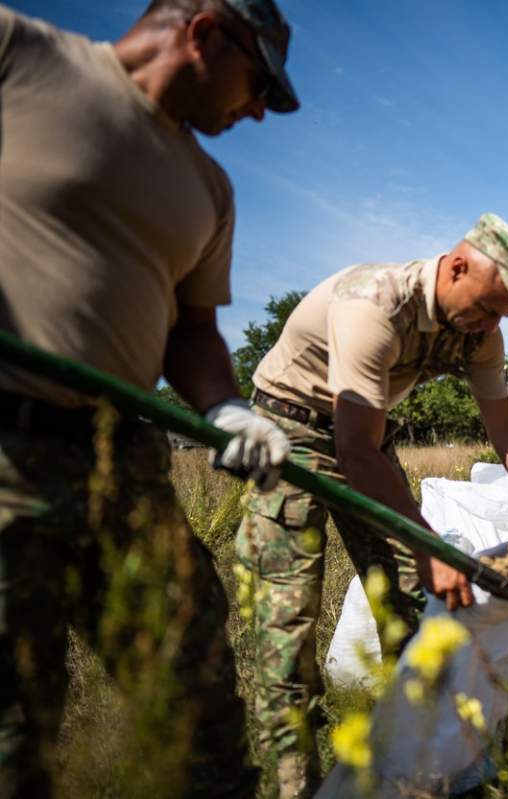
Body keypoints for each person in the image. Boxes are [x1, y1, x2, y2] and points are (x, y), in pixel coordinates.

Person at [0, 1, 299, 796]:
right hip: (6, 448)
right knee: (15, 730)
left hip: (119, 456)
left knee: (200, 706)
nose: (261, 110)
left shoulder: (211, 188)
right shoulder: (22, 54)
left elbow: (193, 331)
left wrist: (226, 408)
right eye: (259, 81)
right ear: (204, 30)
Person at [236, 212, 508, 797]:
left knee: (412, 600)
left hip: (366, 434)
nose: (492, 325)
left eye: (502, 316)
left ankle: (420, 764)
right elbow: (351, 448)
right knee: (288, 618)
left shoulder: (479, 331)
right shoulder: (373, 305)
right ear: (458, 265)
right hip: (290, 431)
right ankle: (296, 783)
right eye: (490, 307)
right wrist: (426, 543)